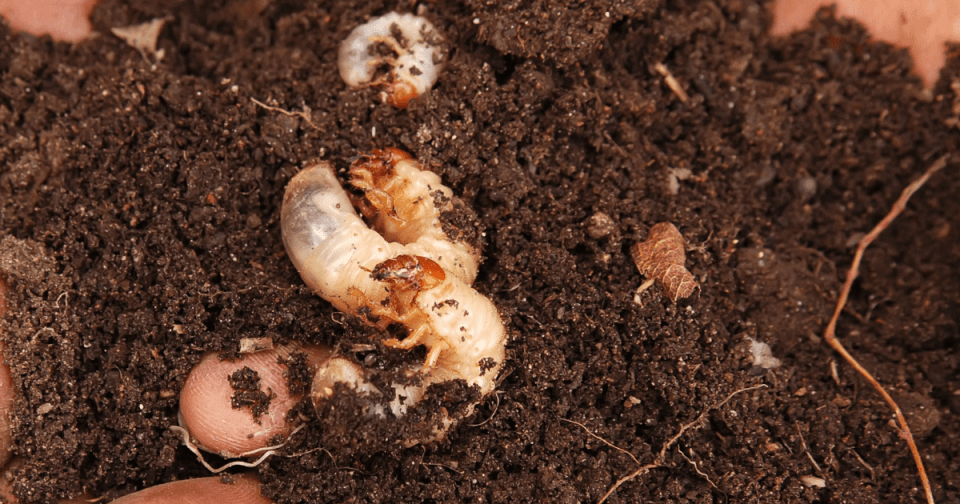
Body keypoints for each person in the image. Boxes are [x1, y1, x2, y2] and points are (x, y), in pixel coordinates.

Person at [0, 0, 956, 501]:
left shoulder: (427, 315)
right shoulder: (437, 298)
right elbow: (420, 277)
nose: (341, 368)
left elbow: (408, 283)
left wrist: (405, 288)